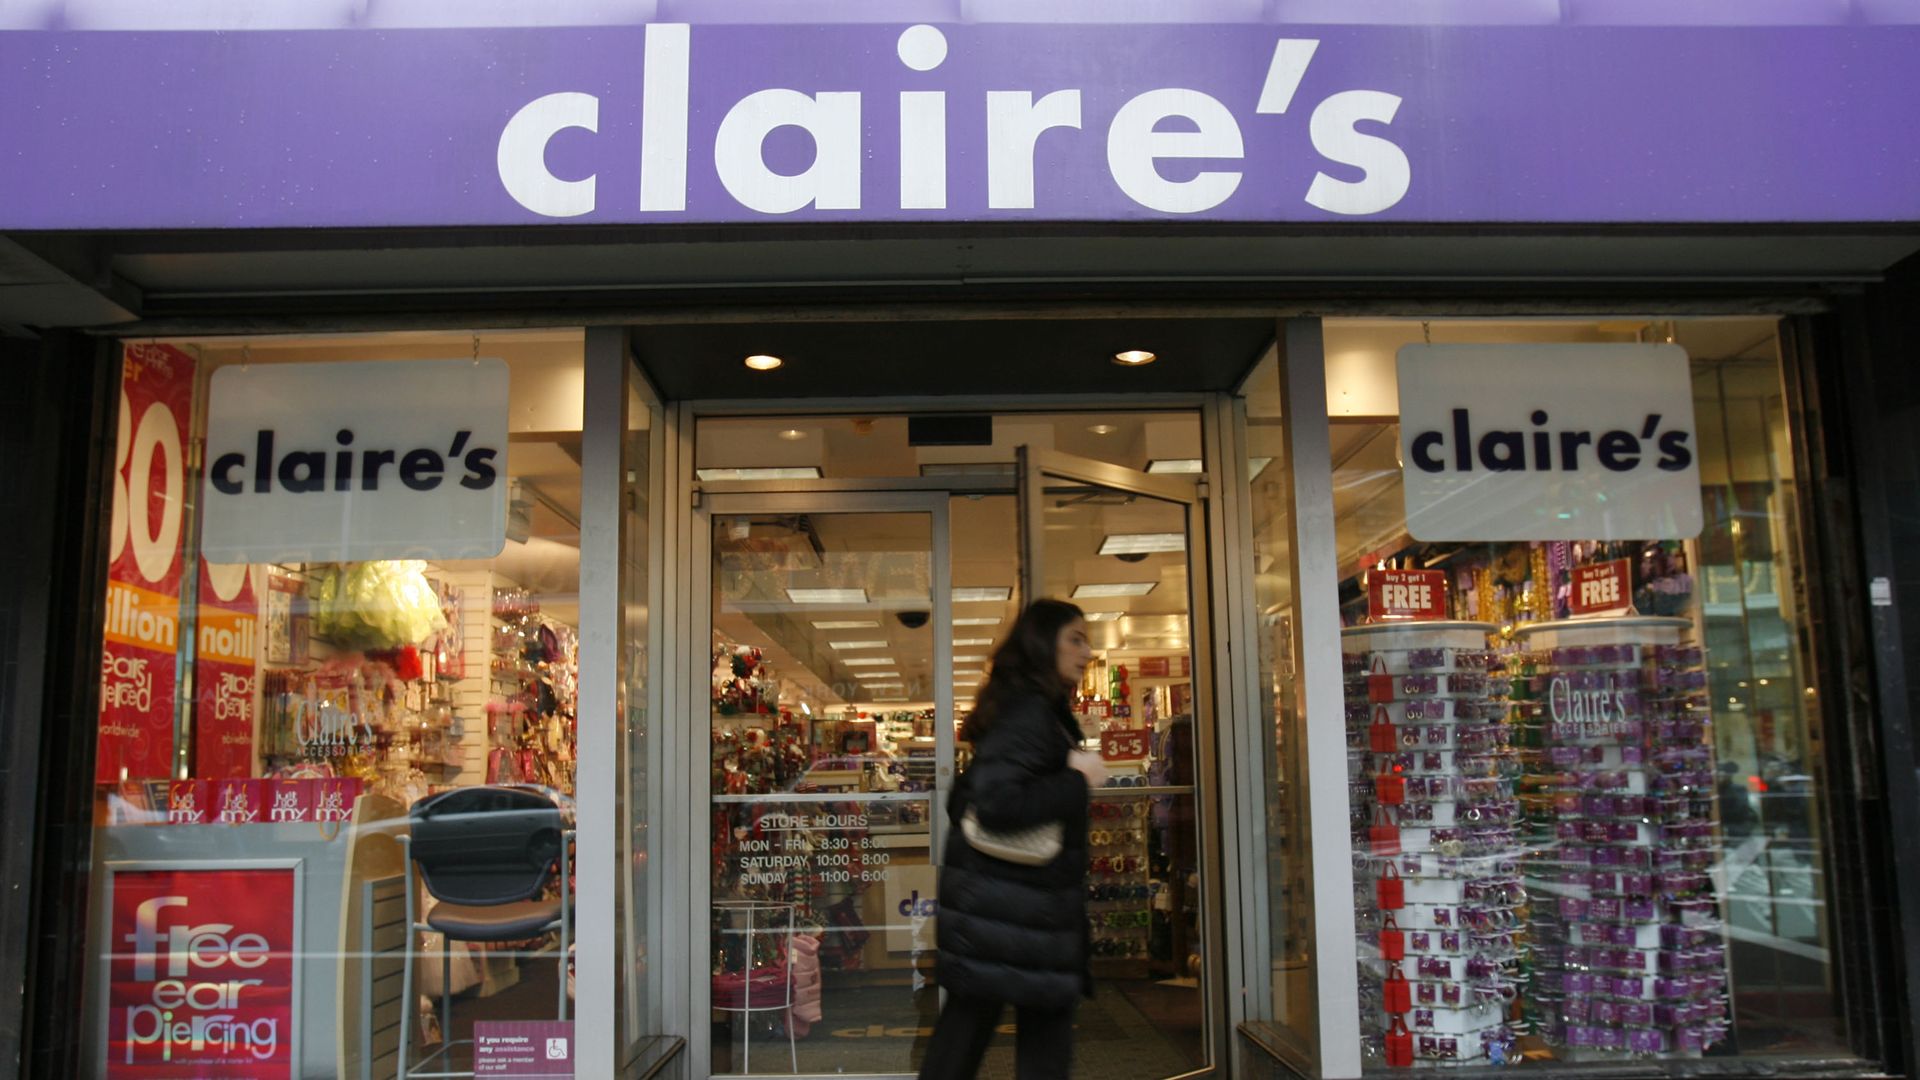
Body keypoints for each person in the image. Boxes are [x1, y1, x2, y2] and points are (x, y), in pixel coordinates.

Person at [918, 598, 1108, 1080]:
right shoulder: (1031, 713)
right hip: (1021, 917)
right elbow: (997, 805)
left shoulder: (1026, 707)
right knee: (1030, 1043)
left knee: (966, 1033)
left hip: (1006, 914)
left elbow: (966, 800)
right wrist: (1076, 780)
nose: (1088, 652)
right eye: (1076, 638)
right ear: (1043, 644)